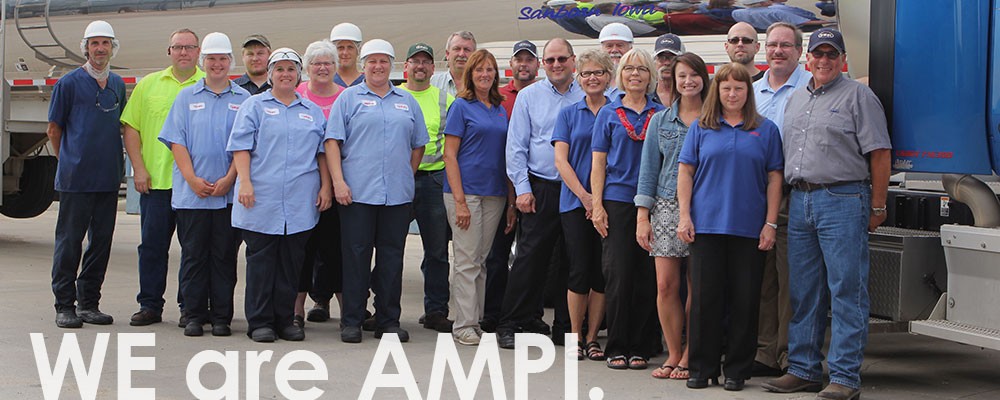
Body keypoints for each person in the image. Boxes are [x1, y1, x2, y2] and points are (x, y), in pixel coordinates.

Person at [762, 28, 891, 400]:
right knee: (804, 291)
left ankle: (845, 377)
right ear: (808, 58)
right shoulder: (797, 98)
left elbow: (880, 153)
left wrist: (878, 205)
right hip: (800, 200)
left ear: (843, 60)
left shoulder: (859, 96)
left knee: (846, 290)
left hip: (843, 198)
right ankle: (803, 369)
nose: (823, 60)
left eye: (831, 54)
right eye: (817, 53)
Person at [676, 63, 783, 391]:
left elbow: (774, 178)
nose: (732, 94)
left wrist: (770, 223)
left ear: (748, 92)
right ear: (717, 92)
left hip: (749, 229)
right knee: (705, 300)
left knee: (744, 300)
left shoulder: (766, 130)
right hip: (706, 226)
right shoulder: (702, 127)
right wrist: (684, 216)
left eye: (739, 88)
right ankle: (701, 368)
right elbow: (685, 171)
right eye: (726, 88)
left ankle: (737, 369)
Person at [325, 39, 428, 344]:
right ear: (364, 65)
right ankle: (352, 320)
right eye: (372, 61)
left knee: (391, 260)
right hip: (357, 195)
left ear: (392, 65)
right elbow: (332, 142)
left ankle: (388, 320)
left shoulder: (406, 101)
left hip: (396, 196)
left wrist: (405, 174)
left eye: (384, 61)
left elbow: (418, 144)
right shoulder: (348, 99)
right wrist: (338, 182)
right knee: (355, 258)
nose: (378, 67)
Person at [228, 48, 331, 342]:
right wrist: (245, 182)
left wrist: (325, 186)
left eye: (291, 69)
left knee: (290, 264)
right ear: (270, 74)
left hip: (299, 201)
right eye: (280, 69)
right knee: (261, 264)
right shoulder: (254, 106)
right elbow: (240, 147)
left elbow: (321, 153)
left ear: (299, 74)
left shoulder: (311, 111)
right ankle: (260, 322)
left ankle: (285, 320)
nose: (285, 74)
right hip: (261, 199)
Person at [158, 32, 249, 337]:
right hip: (192, 195)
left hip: (227, 195)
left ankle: (222, 317)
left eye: (222, 59)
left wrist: (229, 179)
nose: (217, 64)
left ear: (230, 62)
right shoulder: (186, 97)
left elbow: (245, 145)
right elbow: (177, 141)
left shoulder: (244, 100)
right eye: (211, 59)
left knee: (224, 257)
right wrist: (192, 179)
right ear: (203, 61)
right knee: (194, 256)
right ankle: (194, 315)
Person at [499, 38, 583, 349]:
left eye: (562, 59)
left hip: (577, 191)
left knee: (571, 260)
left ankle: (565, 326)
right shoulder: (529, 97)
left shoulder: (588, 94)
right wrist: (522, 189)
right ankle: (512, 322)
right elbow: (516, 146)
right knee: (530, 259)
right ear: (543, 64)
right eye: (550, 60)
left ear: (573, 61)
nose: (556, 65)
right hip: (541, 187)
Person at [123, 28, 205, 327]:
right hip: (156, 183)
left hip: (193, 186)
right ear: (169, 51)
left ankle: (189, 307)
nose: (183, 52)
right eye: (178, 47)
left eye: (189, 47)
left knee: (193, 251)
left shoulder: (207, 85)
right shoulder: (149, 85)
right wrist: (139, 169)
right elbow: (131, 128)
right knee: (152, 248)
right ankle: (149, 305)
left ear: (198, 52)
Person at [636, 52, 710, 380]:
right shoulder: (660, 121)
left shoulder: (715, 118)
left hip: (705, 208)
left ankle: (692, 353)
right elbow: (648, 170)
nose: (688, 81)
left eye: (694, 75)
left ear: (703, 78)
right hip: (665, 206)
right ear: (674, 81)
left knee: (699, 286)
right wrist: (642, 217)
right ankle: (674, 352)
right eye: (682, 76)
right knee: (666, 285)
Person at [47, 20, 125, 328]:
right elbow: (54, 129)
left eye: (105, 43)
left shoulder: (117, 84)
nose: (100, 49)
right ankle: (64, 305)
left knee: (101, 243)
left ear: (112, 47)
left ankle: (89, 303)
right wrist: (67, 159)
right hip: (76, 180)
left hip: (107, 178)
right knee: (70, 242)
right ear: (86, 48)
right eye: (95, 43)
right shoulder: (68, 84)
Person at [591, 48, 664, 370]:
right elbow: (598, 163)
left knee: (647, 276)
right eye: (629, 69)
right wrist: (597, 205)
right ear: (621, 75)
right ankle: (617, 345)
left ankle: (641, 346)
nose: (635, 74)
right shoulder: (608, 113)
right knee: (618, 274)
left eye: (642, 69)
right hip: (618, 201)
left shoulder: (661, 113)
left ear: (651, 76)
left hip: (653, 203)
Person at [751, 21, 811, 378]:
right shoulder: (752, 91)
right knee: (763, 279)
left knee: (791, 279)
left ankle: (790, 354)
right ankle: (765, 352)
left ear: (799, 52)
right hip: (755, 194)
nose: (778, 51)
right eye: (772, 44)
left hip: (793, 193)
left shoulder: (810, 87)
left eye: (786, 45)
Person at [441, 49, 513, 346]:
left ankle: (476, 320)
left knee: (481, 261)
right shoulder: (461, 106)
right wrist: (459, 201)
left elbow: (507, 155)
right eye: (479, 69)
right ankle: (464, 324)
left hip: (495, 193)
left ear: (496, 74)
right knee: (467, 260)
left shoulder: (499, 108)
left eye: (490, 69)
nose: (485, 74)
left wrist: (511, 201)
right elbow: (449, 155)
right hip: (466, 193)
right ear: (470, 74)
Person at [551, 49, 613, 361]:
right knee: (578, 269)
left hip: (609, 203)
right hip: (575, 204)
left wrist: (599, 200)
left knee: (601, 273)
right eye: (586, 73)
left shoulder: (616, 112)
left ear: (608, 77)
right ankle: (575, 335)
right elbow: (560, 161)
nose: (592, 78)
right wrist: (586, 197)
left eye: (598, 73)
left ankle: (592, 338)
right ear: (579, 78)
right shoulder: (568, 114)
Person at [397, 42, 456, 333]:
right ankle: (383, 309)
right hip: (399, 180)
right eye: (415, 61)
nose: (420, 66)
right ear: (405, 67)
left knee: (436, 251)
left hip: (434, 181)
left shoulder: (446, 100)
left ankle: (436, 311)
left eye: (425, 62)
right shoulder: (394, 95)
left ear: (433, 68)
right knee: (390, 248)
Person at [483, 39, 539, 333]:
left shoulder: (544, 95)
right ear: (511, 65)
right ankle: (493, 313)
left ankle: (531, 314)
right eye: (519, 59)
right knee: (497, 254)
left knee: (534, 255)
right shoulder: (498, 98)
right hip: (502, 186)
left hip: (536, 185)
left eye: (529, 59)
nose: (524, 64)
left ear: (537, 65)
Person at [295, 39, 346, 329]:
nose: (322, 68)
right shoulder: (297, 95)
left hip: (338, 185)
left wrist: (334, 184)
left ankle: (348, 310)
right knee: (302, 250)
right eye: (316, 63)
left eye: (328, 63)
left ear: (335, 67)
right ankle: (296, 310)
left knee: (335, 249)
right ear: (307, 68)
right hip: (301, 186)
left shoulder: (346, 97)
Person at [733, 0, 829, 32]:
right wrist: (831, 22)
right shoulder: (776, 12)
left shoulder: (738, 13)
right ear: (762, 3)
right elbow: (805, 22)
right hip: (796, 30)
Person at [431, 31, 476, 96]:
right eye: (457, 49)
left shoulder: (482, 85)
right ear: (447, 54)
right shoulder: (433, 83)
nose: (461, 54)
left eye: (466, 49)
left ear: (474, 55)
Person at [598, 22, 632, 99]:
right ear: (601, 49)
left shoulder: (638, 79)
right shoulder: (590, 80)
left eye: (620, 45)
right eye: (609, 46)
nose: (614, 50)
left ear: (630, 49)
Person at [652, 33, 684, 105]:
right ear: (655, 62)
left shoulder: (691, 95)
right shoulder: (644, 96)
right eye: (662, 58)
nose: (667, 63)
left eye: (672, 58)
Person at [329, 23, 365, 87]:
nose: (345, 53)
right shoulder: (326, 82)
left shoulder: (368, 83)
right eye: (340, 48)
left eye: (350, 47)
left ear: (358, 50)